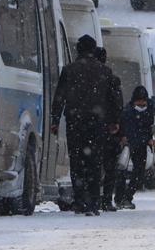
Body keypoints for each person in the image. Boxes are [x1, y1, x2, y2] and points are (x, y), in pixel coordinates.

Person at [52, 35, 122, 216]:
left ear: (78, 49)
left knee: (76, 162)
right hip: (97, 123)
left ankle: (80, 200)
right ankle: (93, 202)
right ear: (93, 49)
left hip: (75, 122)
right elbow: (113, 99)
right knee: (95, 161)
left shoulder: (69, 70)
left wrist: (55, 120)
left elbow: (59, 96)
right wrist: (114, 121)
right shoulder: (105, 71)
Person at [115, 86, 155, 210]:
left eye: (143, 101)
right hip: (129, 144)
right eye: (139, 102)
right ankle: (119, 198)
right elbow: (129, 131)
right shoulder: (127, 112)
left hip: (142, 145)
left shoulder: (150, 106)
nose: (142, 104)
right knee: (121, 171)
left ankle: (127, 197)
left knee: (138, 172)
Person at [95, 47, 124, 212]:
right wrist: (116, 124)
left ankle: (92, 199)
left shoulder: (85, 78)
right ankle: (106, 199)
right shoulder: (112, 79)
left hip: (90, 128)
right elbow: (117, 104)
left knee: (93, 166)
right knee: (110, 168)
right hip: (108, 130)